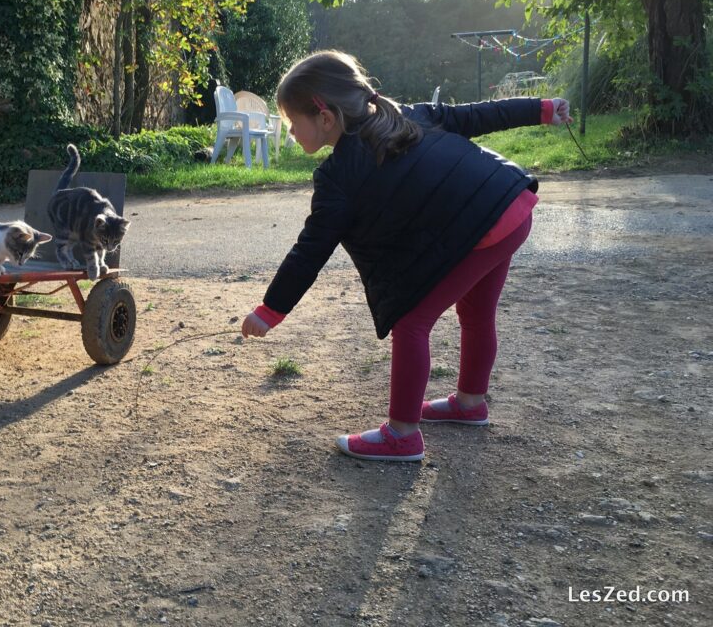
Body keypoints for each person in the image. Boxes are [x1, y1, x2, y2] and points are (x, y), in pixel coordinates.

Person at [240, 50, 572, 462]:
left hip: (484, 222)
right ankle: (469, 404)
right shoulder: (410, 115)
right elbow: (477, 116)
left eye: (292, 122)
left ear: (324, 117)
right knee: (476, 313)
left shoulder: (337, 178)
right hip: (510, 204)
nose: (290, 132)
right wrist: (542, 109)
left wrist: (270, 310)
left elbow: (311, 249)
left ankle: (402, 435)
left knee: (412, 320)